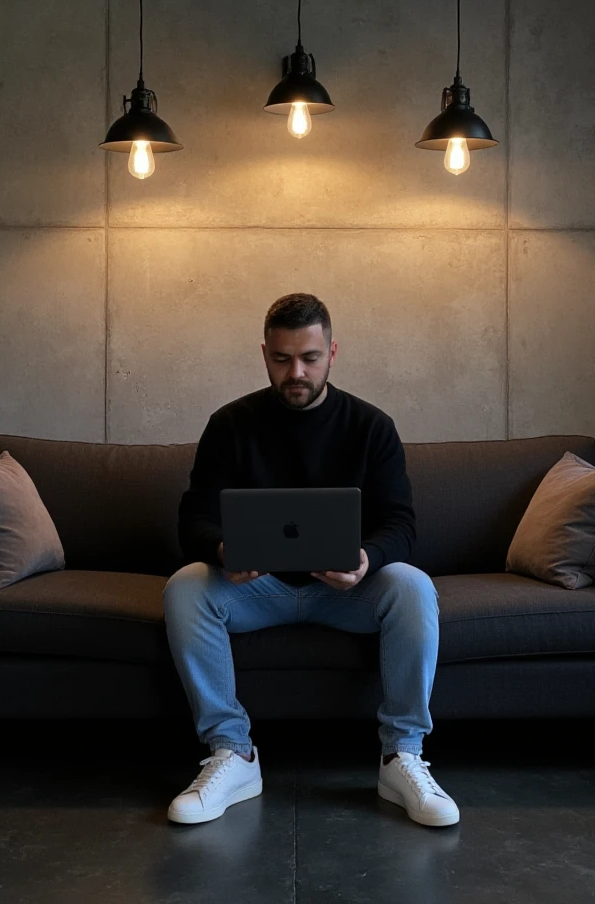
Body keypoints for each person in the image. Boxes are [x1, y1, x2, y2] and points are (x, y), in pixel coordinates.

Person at [163, 292, 459, 828]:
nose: (295, 372)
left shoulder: (371, 426)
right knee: (185, 584)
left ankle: (402, 756)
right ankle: (234, 754)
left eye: (309, 358)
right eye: (281, 359)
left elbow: (401, 523)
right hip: (257, 589)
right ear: (264, 354)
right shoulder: (230, 425)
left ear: (332, 353)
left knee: (412, 585)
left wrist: (368, 559)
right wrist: (223, 550)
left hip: (347, 592)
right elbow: (194, 520)